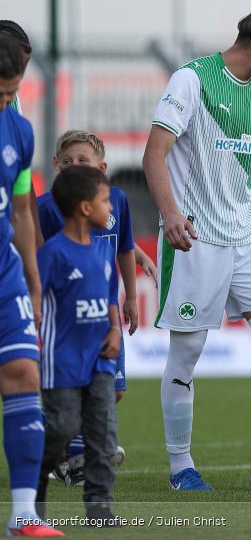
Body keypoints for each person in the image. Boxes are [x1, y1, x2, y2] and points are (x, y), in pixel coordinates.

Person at [143, 4, 251, 491]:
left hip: (246, 236)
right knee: (188, 351)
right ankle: (181, 466)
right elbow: (153, 153)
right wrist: (172, 215)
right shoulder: (191, 80)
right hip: (196, 236)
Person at [37, 130, 155, 485]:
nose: (74, 166)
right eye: (68, 161)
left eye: (83, 161)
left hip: (107, 313)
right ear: (57, 165)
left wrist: (131, 297)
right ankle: (77, 452)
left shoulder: (115, 201)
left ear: (102, 168)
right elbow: (44, 255)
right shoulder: (48, 206)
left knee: (113, 389)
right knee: (74, 393)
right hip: (69, 320)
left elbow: (121, 246)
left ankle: (70, 449)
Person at [0, 34, 63, 537]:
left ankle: (24, 515)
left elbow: (22, 209)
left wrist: (33, 276)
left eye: (11, 92)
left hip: (5, 273)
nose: (5, 101)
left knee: (23, 372)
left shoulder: (19, 130)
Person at [35, 166, 121, 526]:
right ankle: (35, 482)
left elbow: (110, 292)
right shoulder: (53, 253)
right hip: (63, 361)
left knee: (103, 432)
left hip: (99, 359)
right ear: (85, 208)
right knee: (61, 427)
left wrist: (115, 327)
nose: (111, 209)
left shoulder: (102, 252)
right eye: (105, 201)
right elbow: (36, 301)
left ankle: (99, 506)